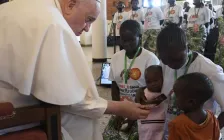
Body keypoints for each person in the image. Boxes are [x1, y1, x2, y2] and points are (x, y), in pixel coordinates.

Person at [0, 0, 153, 140]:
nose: (87, 28)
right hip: (12, 117)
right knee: (81, 120)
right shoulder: (53, 24)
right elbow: (71, 100)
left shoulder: (21, 6)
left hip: (10, 107)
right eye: (88, 19)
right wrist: (119, 108)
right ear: (70, 5)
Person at [156, 24, 224, 140]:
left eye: (177, 59)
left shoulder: (208, 70)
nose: (171, 65)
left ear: (187, 47)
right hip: (174, 132)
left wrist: (209, 131)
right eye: (166, 60)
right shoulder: (166, 62)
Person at [108, 20, 160, 139]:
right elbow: (115, 85)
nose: (126, 44)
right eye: (123, 40)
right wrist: (118, 111)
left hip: (144, 111)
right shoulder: (116, 58)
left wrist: (135, 115)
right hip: (122, 110)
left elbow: (155, 93)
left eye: (131, 40)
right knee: (109, 135)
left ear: (140, 37)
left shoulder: (150, 59)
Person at [168, 72, 220, 140]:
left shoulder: (177, 124)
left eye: (176, 96)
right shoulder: (213, 118)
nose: (174, 98)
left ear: (191, 102)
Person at [135, 65, 166, 140]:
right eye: (149, 82)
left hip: (162, 125)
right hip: (146, 126)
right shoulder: (145, 93)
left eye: (155, 80)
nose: (152, 84)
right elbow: (139, 103)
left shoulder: (166, 91)